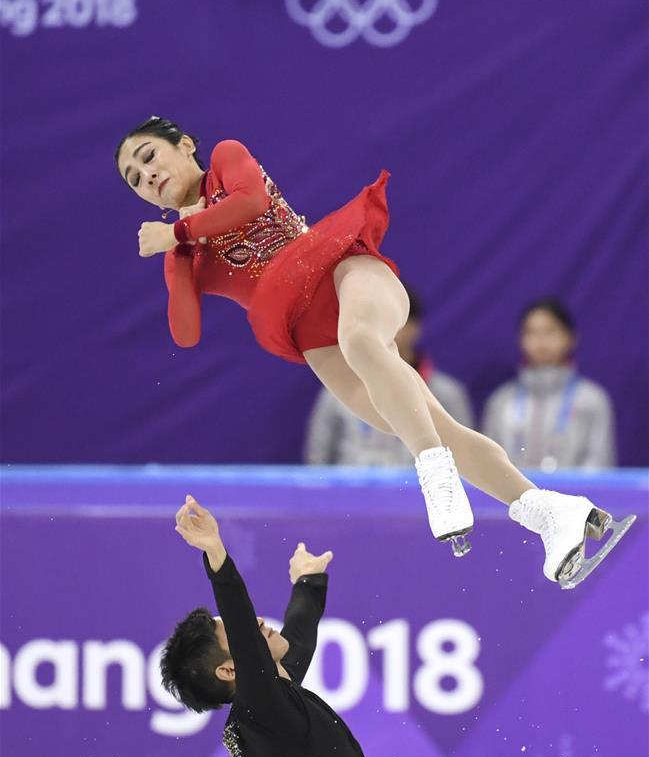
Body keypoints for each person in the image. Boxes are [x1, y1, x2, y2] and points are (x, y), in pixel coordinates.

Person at [116, 118, 635, 586]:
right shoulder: (179, 245)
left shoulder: (226, 159)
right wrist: (179, 253)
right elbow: (186, 333)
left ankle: (436, 478)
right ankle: (551, 515)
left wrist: (180, 229)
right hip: (306, 331)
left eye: (149, 157)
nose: (147, 175)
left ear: (184, 145)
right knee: (426, 425)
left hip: (342, 269)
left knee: (362, 341)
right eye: (134, 179)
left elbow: (249, 202)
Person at [161, 495, 398, 757]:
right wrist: (216, 553)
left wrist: (308, 581)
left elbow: (298, 636)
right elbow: (243, 623)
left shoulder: (274, 704)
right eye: (241, 637)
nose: (258, 621)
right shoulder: (261, 710)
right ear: (230, 668)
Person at [305, 286, 474, 466]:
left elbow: (463, 459)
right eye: (372, 322)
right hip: (351, 493)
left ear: (413, 327)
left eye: (389, 321)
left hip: (419, 492)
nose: (379, 330)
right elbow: (318, 463)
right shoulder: (337, 390)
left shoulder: (446, 395)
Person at [482, 300, 616, 471]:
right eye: (532, 332)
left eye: (550, 331)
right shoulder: (501, 400)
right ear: (521, 339)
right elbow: (488, 463)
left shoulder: (592, 399)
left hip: (575, 496)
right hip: (512, 496)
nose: (541, 341)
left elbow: (599, 463)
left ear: (570, 337)